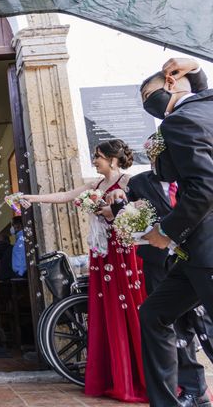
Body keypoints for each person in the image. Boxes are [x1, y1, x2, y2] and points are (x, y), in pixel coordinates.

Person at [21, 139, 147, 402]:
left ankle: (135, 376)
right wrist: (31, 198)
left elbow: (142, 209)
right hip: (102, 253)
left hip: (122, 252)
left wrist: (115, 209)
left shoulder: (127, 182)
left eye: (98, 156)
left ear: (113, 159)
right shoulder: (96, 185)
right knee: (105, 311)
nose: (95, 160)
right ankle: (113, 375)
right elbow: (65, 196)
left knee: (126, 309)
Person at [137, 59, 213, 407]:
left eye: (146, 96)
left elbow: (204, 189)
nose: (145, 104)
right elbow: (202, 91)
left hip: (207, 246)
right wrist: (194, 69)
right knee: (154, 313)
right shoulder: (205, 106)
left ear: (169, 82)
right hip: (194, 252)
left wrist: (165, 231)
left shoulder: (179, 122)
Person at [111, 162, 213, 403]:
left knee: (204, 325)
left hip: (201, 257)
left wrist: (167, 231)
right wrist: (118, 202)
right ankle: (193, 390)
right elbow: (126, 213)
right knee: (170, 325)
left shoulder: (195, 178)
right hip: (160, 263)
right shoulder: (139, 182)